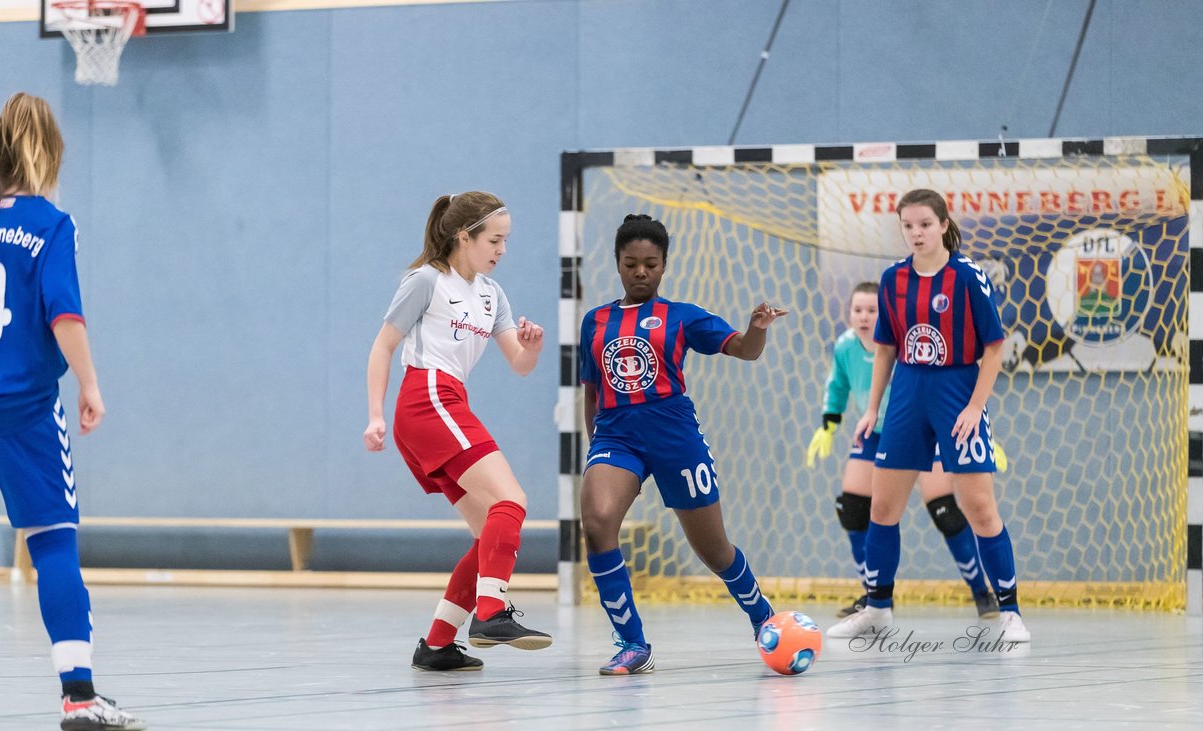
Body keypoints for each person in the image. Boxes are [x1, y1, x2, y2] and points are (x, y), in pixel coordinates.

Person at [0, 93, 145, 731]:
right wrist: (91, 384)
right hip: (22, 410)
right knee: (52, 544)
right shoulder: (50, 224)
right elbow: (63, 313)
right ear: (51, 154)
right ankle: (78, 695)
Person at [579, 214, 787, 675]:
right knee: (596, 525)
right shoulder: (594, 322)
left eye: (650, 264)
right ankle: (633, 643)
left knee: (715, 552)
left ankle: (762, 616)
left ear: (664, 266)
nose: (640, 272)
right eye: (631, 263)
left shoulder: (682, 316)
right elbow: (591, 393)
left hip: (675, 437)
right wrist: (597, 453)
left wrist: (757, 329)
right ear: (617, 264)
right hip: (616, 437)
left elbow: (744, 350)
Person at [825, 189, 1030, 644]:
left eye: (924, 224)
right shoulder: (893, 280)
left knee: (978, 507)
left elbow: (994, 348)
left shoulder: (967, 276)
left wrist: (976, 406)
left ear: (942, 224)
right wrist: (873, 407)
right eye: (908, 226)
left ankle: (1010, 610)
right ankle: (878, 608)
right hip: (907, 394)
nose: (916, 233)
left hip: (956, 393)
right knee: (882, 507)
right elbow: (886, 349)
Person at [365, 191, 551, 672]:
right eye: (494, 239)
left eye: (506, 240)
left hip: (447, 402)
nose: (502, 249)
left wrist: (531, 347)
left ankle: (437, 644)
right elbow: (383, 346)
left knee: (488, 528)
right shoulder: (427, 281)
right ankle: (490, 612)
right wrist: (375, 415)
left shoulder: (492, 294)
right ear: (463, 237)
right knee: (512, 500)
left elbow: (520, 364)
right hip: (426, 398)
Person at [806, 281, 1002, 620]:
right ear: (849, 313)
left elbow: (941, 386)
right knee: (851, 507)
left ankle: (980, 591)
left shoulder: (902, 345)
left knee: (943, 508)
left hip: (920, 430)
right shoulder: (845, 346)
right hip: (876, 432)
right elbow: (837, 384)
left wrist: (982, 432)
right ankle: (875, 595)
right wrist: (829, 423)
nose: (864, 317)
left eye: (872, 310)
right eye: (857, 310)